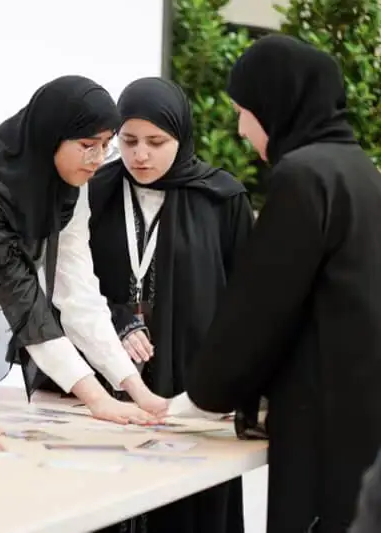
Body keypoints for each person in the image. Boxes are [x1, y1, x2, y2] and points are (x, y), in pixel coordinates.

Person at [185, 34, 381, 533]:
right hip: (362, 419)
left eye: (242, 110)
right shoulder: (361, 172)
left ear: (275, 103)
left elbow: (261, 308)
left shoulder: (304, 176)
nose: (241, 127)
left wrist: (206, 391)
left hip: (321, 425)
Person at [0, 75, 166, 423]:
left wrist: (134, 388)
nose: (98, 158)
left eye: (107, 144)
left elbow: (78, 291)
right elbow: (24, 302)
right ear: (52, 134)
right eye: (87, 144)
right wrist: (96, 398)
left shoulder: (67, 184)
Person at [88, 77, 251, 533]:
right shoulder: (95, 191)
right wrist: (117, 316)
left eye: (156, 142)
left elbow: (246, 299)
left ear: (180, 136)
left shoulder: (221, 197)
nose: (141, 155)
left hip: (190, 384)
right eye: (129, 141)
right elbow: (69, 286)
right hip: (111, 383)